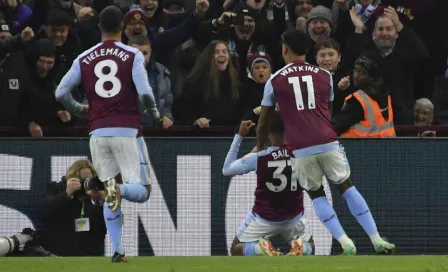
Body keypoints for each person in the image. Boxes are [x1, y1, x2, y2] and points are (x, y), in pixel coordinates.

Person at [255, 29, 395, 255]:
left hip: (300, 147)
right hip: (327, 140)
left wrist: (260, 148)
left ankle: (345, 243)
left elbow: (264, 123)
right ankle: (377, 239)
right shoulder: (325, 76)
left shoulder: (275, 80)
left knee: (317, 194)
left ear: (285, 50)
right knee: (347, 187)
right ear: (308, 50)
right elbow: (326, 113)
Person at [54, 6, 159, 262]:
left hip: (98, 132)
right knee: (141, 190)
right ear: (122, 28)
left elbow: (60, 93)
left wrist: (79, 110)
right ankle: (109, 187)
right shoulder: (132, 54)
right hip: (126, 129)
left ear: (99, 27)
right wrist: (154, 113)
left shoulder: (85, 57)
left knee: (109, 196)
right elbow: (145, 92)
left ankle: (117, 249)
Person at [222, 111, 314, 256]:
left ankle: (259, 249)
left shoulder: (259, 158)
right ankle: (302, 248)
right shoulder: (301, 154)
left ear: (268, 133)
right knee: (310, 246)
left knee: (236, 248)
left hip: (264, 218)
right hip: (293, 217)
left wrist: (239, 136)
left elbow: (226, 169)